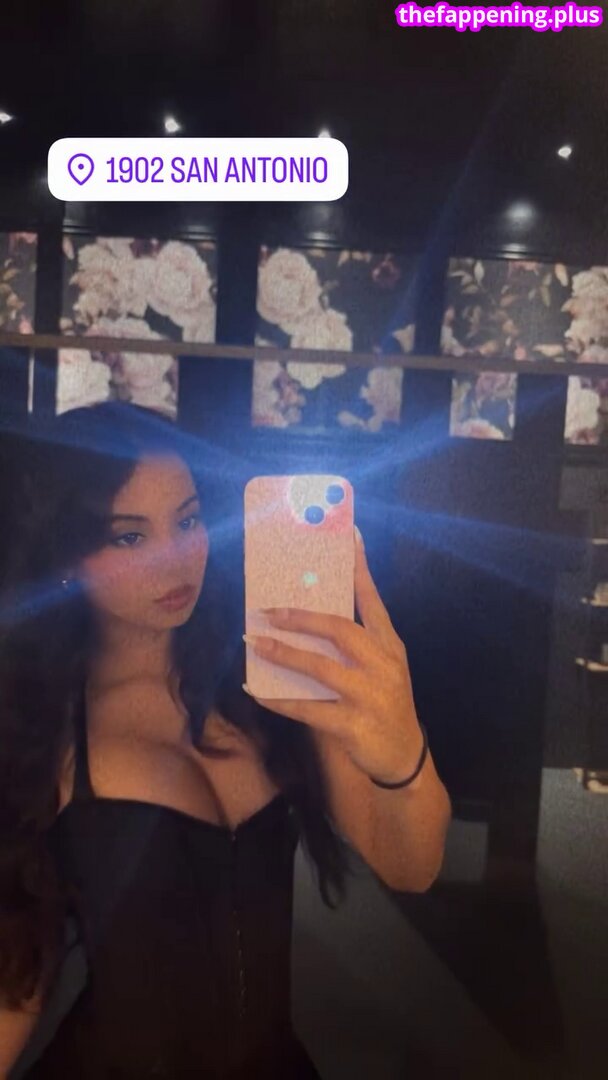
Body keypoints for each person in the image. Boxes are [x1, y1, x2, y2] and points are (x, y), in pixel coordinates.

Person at [0, 401, 450, 1078]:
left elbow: (411, 866)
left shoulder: (269, 683)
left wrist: (404, 754)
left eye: (187, 521)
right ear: (66, 555)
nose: (178, 558)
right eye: (130, 536)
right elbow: (14, 986)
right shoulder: (45, 730)